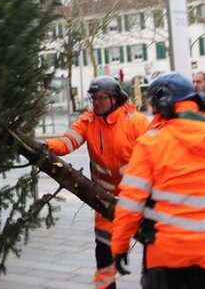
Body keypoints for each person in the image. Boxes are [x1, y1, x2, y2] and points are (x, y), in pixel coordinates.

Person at [112, 72, 205, 288]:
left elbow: (130, 202)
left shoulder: (151, 143)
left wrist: (119, 245)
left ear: (164, 103)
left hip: (165, 255)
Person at [42, 76, 149, 289]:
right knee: (103, 257)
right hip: (104, 202)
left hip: (137, 200)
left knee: (154, 252)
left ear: (115, 98)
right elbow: (67, 142)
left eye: (101, 98)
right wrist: (44, 146)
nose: (97, 102)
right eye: (94, 98)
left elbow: (154, 155)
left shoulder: (135, 122)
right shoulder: (88, 121)